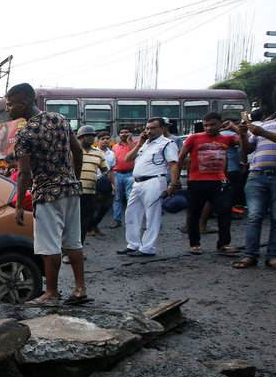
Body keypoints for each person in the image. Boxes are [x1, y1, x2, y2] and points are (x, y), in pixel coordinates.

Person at [8, 83, 87, 305]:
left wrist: (20, 206)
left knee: (49, 244)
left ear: (23, 103)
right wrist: (75, 179)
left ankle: (51, 293)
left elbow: (24, 173)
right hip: (71, 189)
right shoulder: (60, 119)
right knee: (73, 240)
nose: (8, 109)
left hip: (46, 193)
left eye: (10, 104)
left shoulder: (25, 133)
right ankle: (80, 289)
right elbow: (78, 151)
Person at [176, 112, 239, 256]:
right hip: (196, 181)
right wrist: (177, 179)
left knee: (224, 212)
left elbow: (245, 141)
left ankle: (224, 244)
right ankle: (195, 244)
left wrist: (235, 128)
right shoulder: (194, 138)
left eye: (212, 124)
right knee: (194, 213)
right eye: (205, 125)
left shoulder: (227, 138)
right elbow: (181, 158)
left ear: (220, 124)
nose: (208, 128)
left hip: (220, 181)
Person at [117, 117, 179, 258]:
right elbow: (128, 159)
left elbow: (173, 164)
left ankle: (148, 247)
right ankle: (133, 244)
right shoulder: (145, 144)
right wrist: (139, 144)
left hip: (154, 181)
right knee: (131, 213)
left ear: (162, 128)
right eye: (147, 128)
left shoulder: (167, 143)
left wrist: (173, 184)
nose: (149, 131)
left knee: (152, 215)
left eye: (153, 128)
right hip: (137, 182)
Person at [233, 102, 276, 269]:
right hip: (256, 176)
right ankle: (250, 255)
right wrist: (243, 135)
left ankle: (272, 256)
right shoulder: (264, 124)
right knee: (254, 216)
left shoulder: (261, 128)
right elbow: (248, 150)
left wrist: (263, 132)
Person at [76, 126, 108, 250]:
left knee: (84, 223)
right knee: (72, 223)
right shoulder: (72, 151)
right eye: (87, 136)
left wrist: (109, 184)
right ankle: (68, 251)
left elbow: (105, 170)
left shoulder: (98, 153)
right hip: (73, 193)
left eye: (92, 136)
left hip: (89, 193)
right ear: (80, 137)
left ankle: (78, 249)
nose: (90, 138)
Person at [110, 128, 137, 228]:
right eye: (122, 132)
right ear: (119, 135)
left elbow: (137, 153)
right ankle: (117, 220)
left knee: (131, 199)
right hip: (117, 175)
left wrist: (130, 141)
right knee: (117, 198)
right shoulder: (114, 147)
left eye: (126, 132)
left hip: (131, 174)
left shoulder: (134, 144)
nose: (124, 134)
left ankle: (132, 221)